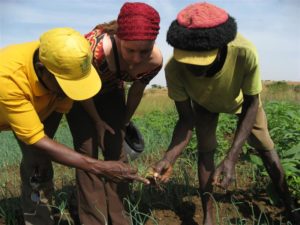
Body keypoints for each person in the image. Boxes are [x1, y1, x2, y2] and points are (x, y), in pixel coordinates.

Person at [153, 2, 299, 225]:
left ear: (221, 48)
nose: (193, 69)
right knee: (205, 152)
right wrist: (168, 157)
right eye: (188, 62)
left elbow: (252, 103)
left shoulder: (244, 52)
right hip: (204, 105)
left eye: (200, 63)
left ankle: (290, 207)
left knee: (267, 150)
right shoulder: (174, 69)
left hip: (243, 103)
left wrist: (232, 157)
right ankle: (209, 218)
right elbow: (186, 119)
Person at [0, 27, 149, 225]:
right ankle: (38, 220)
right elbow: (37, 140)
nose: (72, 92)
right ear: (42, 70)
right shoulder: (8, 79)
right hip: (8, 109)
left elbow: (60, 106)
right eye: (67, 85)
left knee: (38, 161)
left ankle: (42, 215)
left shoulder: (62, 62)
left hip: (43, 101)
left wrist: (97, 122)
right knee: (36, 155)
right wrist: (99, 166)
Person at [65, 2, 162, 225]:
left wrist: (123, 122)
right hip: (81, 96)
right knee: (87, 154)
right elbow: (81, 92)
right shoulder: (92, 50)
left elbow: (136, 92)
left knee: (116, 150)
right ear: (118, 38)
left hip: (111, 91)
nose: (137, 59)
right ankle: (94, 219)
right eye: (130, 51)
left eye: (144, 51)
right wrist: (97, 121)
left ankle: (119, 217)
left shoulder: (155, 62)